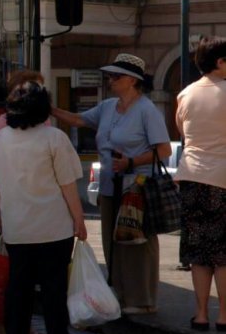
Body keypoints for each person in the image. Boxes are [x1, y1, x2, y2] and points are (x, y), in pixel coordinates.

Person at [53, 53, 171, 314]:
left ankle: (142, 299)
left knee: (137, 243)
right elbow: (79, 119)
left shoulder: (146, 110)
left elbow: (163, 150)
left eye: (115, 76)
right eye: (110, 76)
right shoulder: (107, 106)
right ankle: (119, 293)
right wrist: (48, 108)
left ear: (132, 80)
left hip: (136, 187)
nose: (110, 80)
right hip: (109, 185)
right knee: (112, 241)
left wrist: (130, 162)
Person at [0, 82, 88, 334]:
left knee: (18, 289)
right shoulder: (54, 138)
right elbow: (68, 186)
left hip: (16, 227)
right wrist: (79, 221)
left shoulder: (3, 138)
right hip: (52, 227)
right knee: (53, 290)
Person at [0, 70, 48, 334]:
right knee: (11, 275)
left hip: (39, 211)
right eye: (33, 89)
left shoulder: (45, 124)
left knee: (29, 276)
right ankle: (7, 327)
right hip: (15, 210)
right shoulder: (2, 126)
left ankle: (21, 328)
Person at [174, 36, 226, 331]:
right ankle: (224, 315)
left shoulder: (186, 93)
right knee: (223, 254)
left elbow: (181, 130)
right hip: (223, 178)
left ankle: (202, 313)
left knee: (198, 252)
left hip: (192, 177)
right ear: (220, 62)